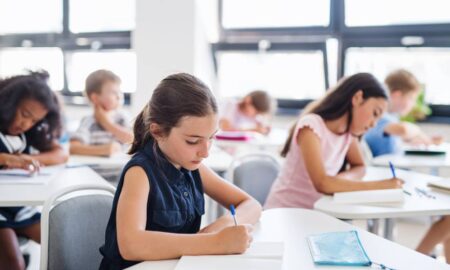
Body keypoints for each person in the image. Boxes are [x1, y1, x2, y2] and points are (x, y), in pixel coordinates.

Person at [99, 73, 262, 269]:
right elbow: (131, 245)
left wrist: (222, 227)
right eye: (192, 141)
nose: (205, 152)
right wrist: (215, 242)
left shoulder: (194, 166)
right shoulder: (140, 173)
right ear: (158, 132)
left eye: (211, 138)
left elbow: (251, 205)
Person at [264, 73, 403, 210]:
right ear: (357, 98)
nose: (374, 124)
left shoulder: (348, 134)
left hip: (317, 212)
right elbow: (322, 184)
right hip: (285, 212)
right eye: (375, 113)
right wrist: (380, 186)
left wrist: (338, 180)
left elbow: (360, 166)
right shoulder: (311, 126)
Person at [0, 71, 67, 270]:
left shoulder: (26, 133)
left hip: (18, 206)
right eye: (25, 114)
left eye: (34, 121)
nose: (25, 124)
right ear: (8, 103)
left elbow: (60, 154)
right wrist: (5, 158)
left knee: (63, 244)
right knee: (14, 263)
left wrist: (27, 159)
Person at [364, 69, 442, 157]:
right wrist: (418, 132)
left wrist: (422, 140)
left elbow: (394, 141)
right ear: (397, 95)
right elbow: (403, 130)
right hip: (382, 168)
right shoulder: (379, 115)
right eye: (411, 98)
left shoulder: (393, 117)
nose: (414, 104)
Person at [70, 69, 133, 156]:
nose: (119, 96)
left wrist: (107, 123)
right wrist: (104, 150)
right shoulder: (89, 121)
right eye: (114, 92)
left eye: (119, 92)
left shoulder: (123, 117)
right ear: (95, 98)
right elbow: (73, 148)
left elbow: (133, 140)